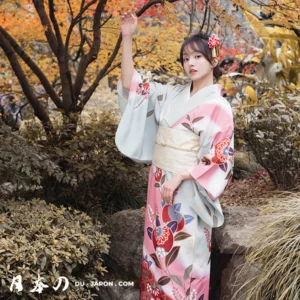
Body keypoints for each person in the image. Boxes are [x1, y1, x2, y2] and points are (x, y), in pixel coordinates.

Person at [115, 10, 234, 300]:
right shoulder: (171, 94)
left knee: (184, 254)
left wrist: (181, 176)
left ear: (213, 60)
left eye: (197, 57)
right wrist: (127, 38)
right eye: (185, 58)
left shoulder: (219, 107)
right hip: (159, 183)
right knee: (156, 252)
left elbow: (220, 158)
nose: (190, 63)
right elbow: (134, 88)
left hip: (188, 188)